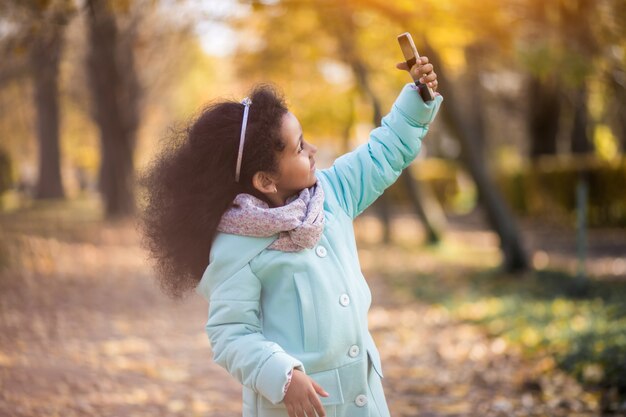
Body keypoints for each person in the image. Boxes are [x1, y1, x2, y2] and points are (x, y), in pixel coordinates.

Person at [141, 56, 442, 417]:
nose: (313, 151)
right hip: (297, 407)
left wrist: (417, 99)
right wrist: (281, 375)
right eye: (299, 148)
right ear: (266, 181)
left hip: (364, 400)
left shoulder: (332, 193)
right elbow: (230, 332)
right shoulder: (238, 248)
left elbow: (381, 154)